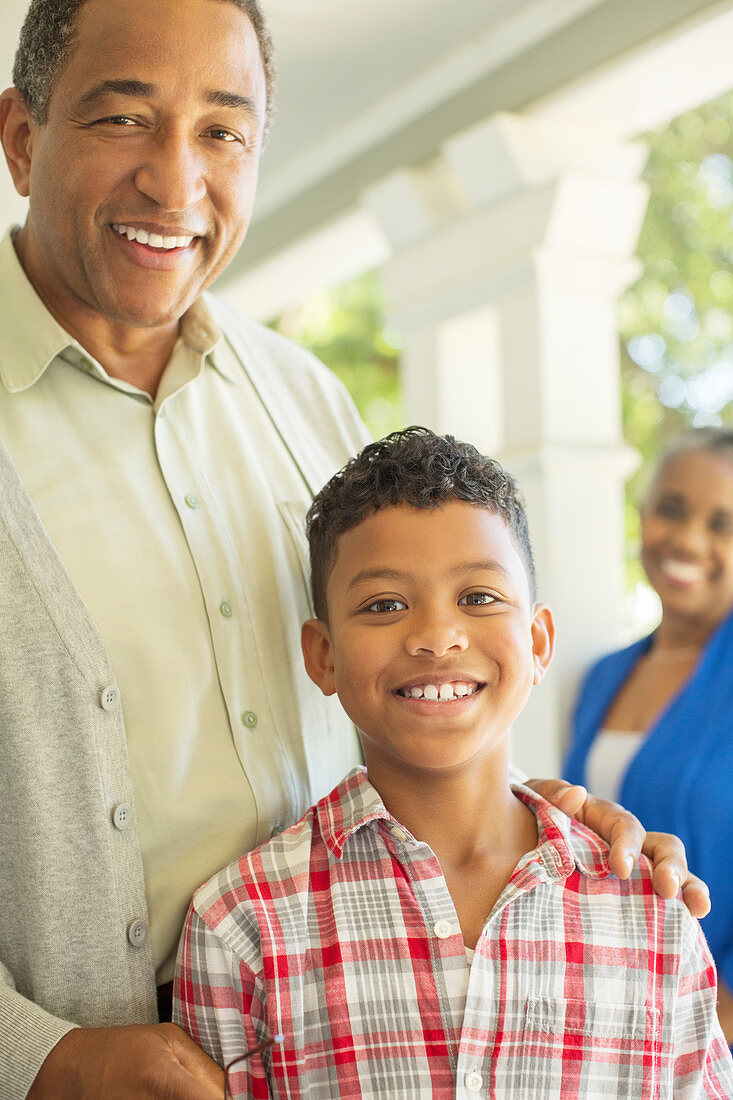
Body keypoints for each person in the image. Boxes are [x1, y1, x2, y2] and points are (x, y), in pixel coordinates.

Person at [0, 0, 709, 1097]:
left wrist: (526, 823)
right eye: (124, 118)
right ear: (21, 137)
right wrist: (39, 1055)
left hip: (340, 1021)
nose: (175, 181)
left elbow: (411, 658)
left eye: (223, 131)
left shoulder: (303, 401)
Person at [173, 427, 733, 1098]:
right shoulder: (240, 922)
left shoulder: (648, 914)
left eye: (477, 597)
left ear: (536, 643)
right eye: (384, 605)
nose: (437, 636)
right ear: (322, 655)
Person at [565, 427, 733, 1041]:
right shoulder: (602, 676)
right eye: (672, 510)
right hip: (610, 1020)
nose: (688, 539)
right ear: (642, 516)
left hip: (707, 1037)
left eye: (723, 524)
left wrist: (705, 1029)